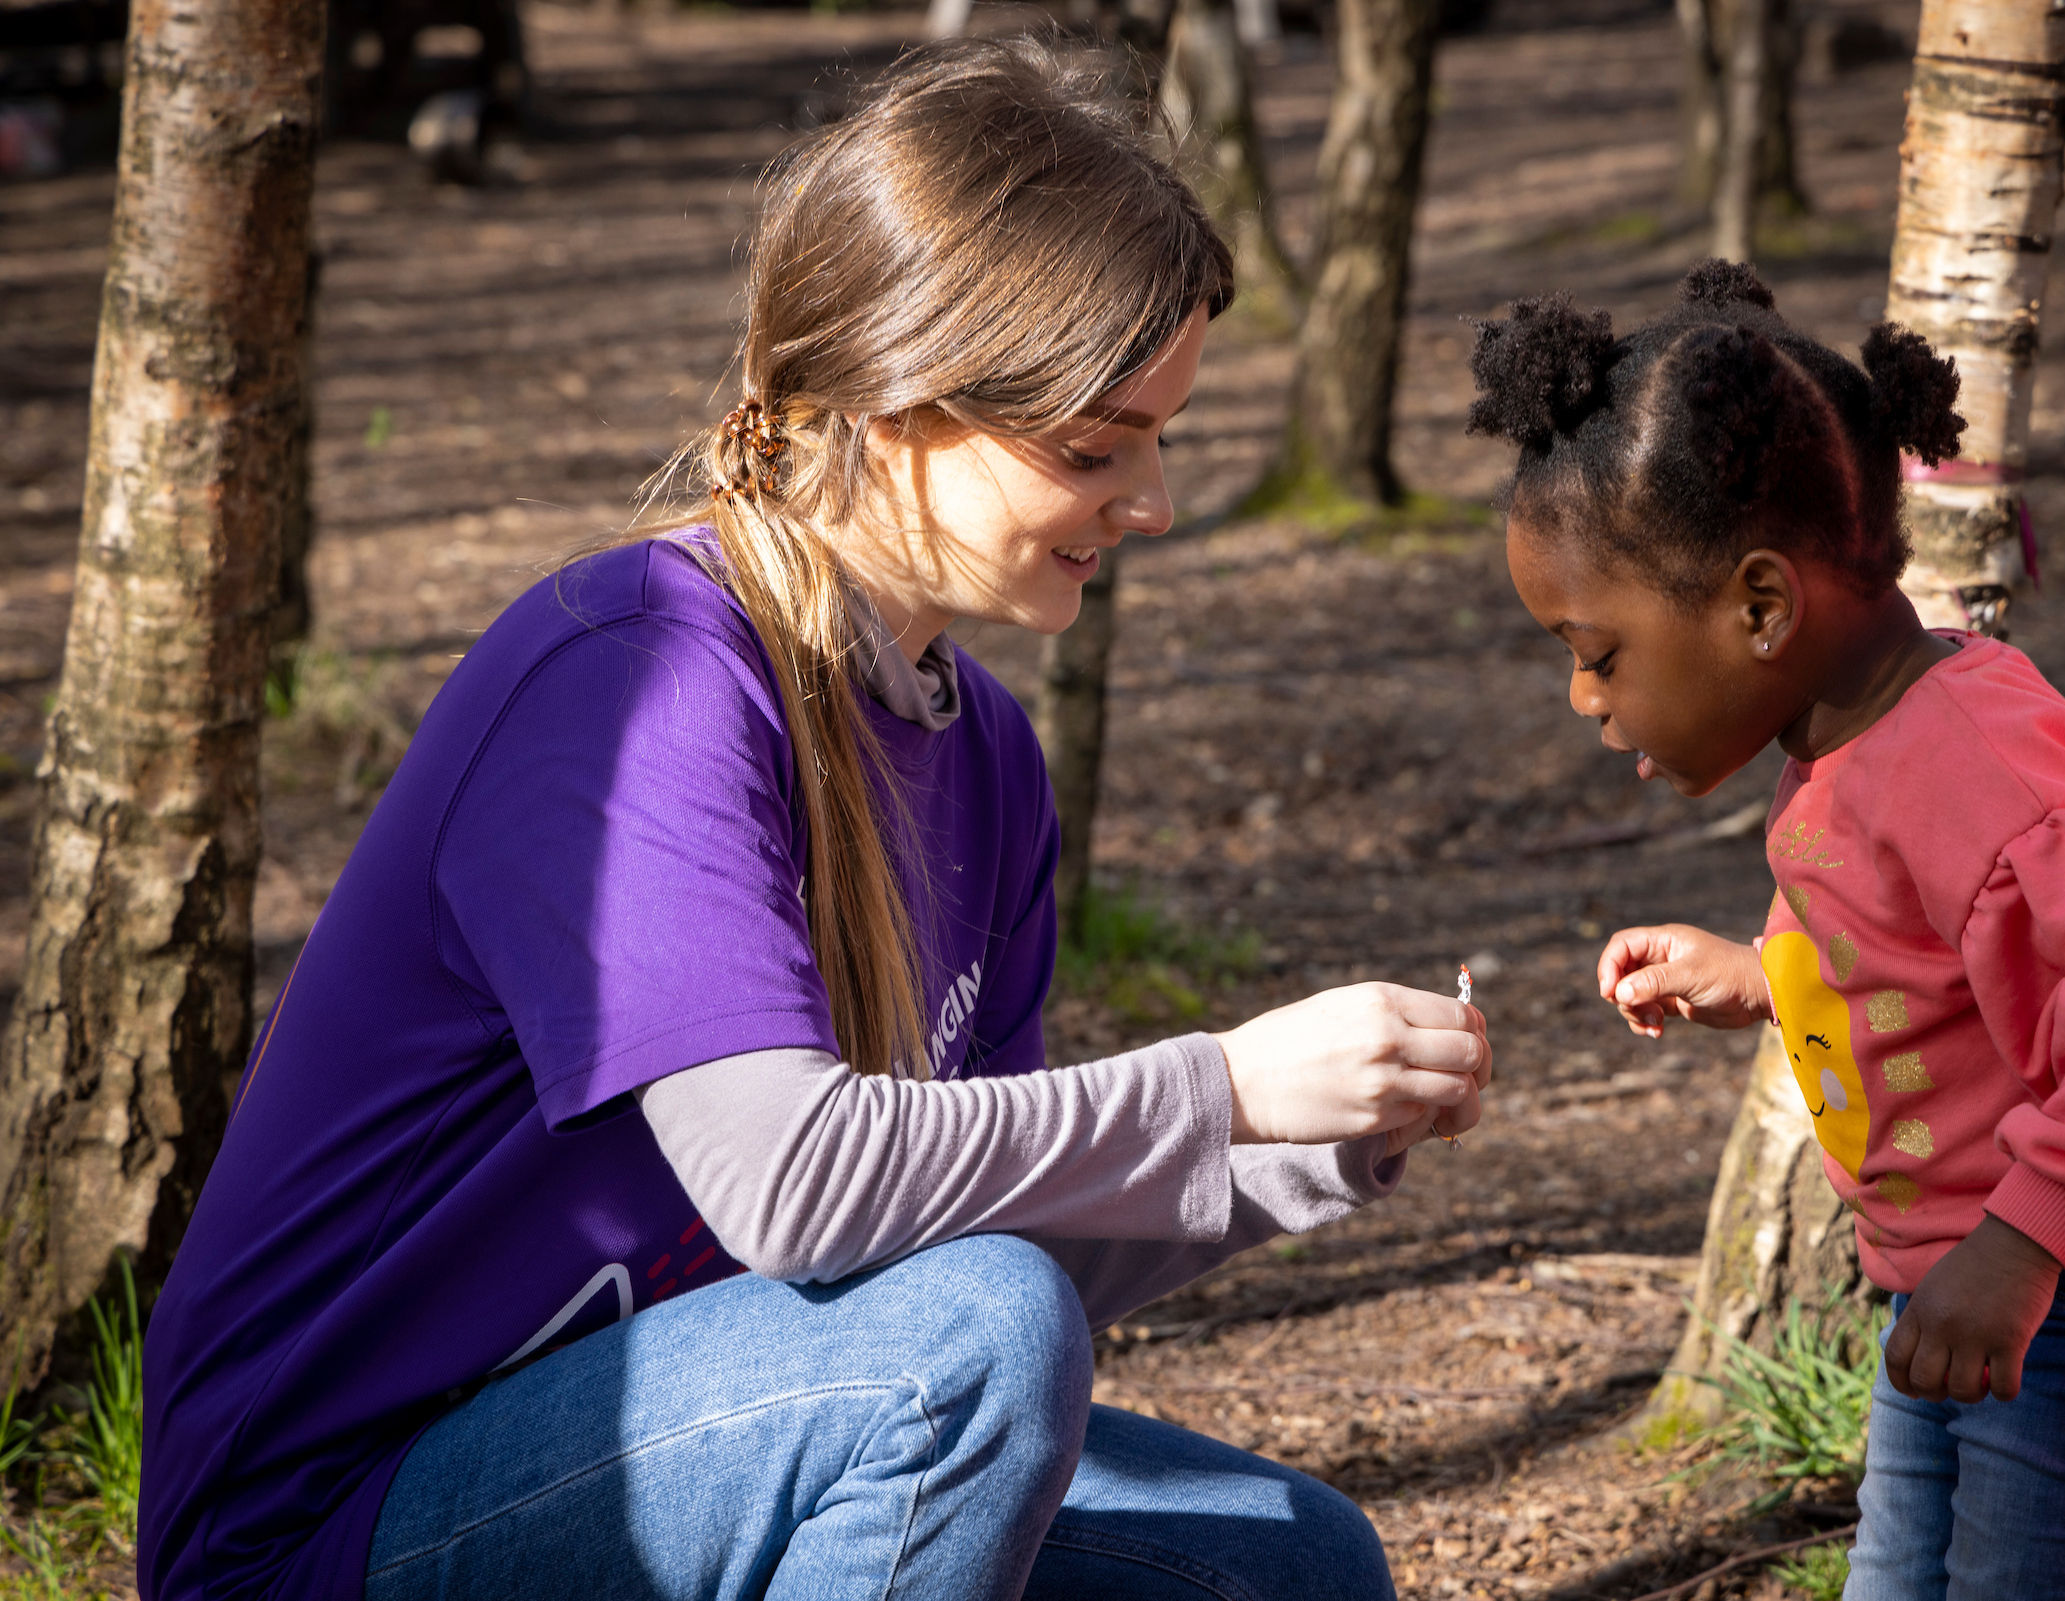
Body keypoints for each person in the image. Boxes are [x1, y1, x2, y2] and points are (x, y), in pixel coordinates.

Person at [139, 40, 1491, 1601]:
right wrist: (1222, 1080)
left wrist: (1301, 1142)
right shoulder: (635, 680)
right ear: (904, 402)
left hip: (669, 1445)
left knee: (1295, 1568)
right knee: (968, 1346)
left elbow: (986, 1233)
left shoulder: (983, 758)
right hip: (327, 1531)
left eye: (1164, 438)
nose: (1156, 501)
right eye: (1096, 445)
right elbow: (808, 1193)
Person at [1468, 262, 2065, 1601]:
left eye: (1597, 650)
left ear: (1760, 607)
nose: (1581, 695)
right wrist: (1761, 972)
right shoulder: (1849, 738)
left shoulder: (1990, 779)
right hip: (1979, 1281)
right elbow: (1937, 963)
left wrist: (2020, 1246)